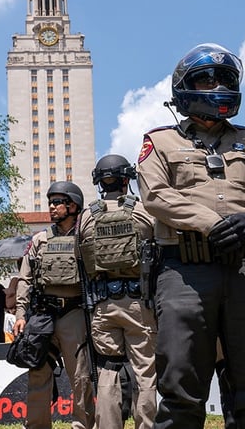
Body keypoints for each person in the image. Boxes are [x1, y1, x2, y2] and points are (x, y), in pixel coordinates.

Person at [136, 43, 245, 428]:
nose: (218, 86)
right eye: (207, 79)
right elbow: (155, 194)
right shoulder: (160, 142)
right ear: (184, 88)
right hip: (185, 275)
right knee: (180, 387)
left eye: (225, 79)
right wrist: (211, 222)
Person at [76, 154, 157, 429]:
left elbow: (79, 259)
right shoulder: (144, 212)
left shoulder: (86, 217)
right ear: (126, 180)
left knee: (108, 369)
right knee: (145, 369)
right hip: (139, 304)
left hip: (102, 305)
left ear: (100, 182)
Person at [13, 181, 95, 429]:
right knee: (37, 373)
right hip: (42, 316)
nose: (51, 206)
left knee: (80, 376)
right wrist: (20, 314)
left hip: (75, 313)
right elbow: (25, 279)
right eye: (51, 202)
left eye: (58, 202)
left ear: (74, 206)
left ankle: (83, 425)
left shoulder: (85, 238)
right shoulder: (39, 239)